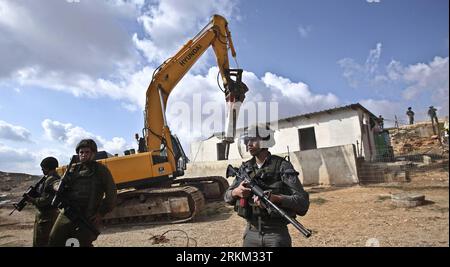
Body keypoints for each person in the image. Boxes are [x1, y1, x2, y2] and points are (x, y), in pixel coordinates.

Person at [224, 124, 309, 247]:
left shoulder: (282, 166)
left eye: (253, 139)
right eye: (247, 140)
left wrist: (276, 198)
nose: (248, 144)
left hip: (276, 234)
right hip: (251, 232)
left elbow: (302, 203)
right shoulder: (245, 168)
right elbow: (226, 197)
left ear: (265, 141)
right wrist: (236, 192)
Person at [48, 139, 117, 247]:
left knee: (81, 242)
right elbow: (58, 182)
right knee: (55, 238)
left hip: (87, 215)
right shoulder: (73, 169)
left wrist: (100, 213)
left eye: (87, 152)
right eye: (81, 152)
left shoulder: (101, 171)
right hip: (67, 212)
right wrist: (56, 185)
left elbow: (111, 194)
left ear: (93, 154)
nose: (84, 155)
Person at [25, 157, 60, 247]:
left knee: (42, 242)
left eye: (43, 168)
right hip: (44, 216)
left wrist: (32, 200)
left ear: (48, 168)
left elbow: (46, 200)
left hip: (47, 217)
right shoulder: (47, 178)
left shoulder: (51, 179)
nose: (42, 170)